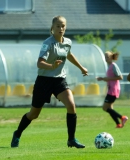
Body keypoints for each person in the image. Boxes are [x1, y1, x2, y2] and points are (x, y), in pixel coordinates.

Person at [11, 16, 88, 149]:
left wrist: (81, 67)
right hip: (44, 81)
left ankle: (71, 139)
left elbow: (68, 54)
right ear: (52, 28)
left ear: (66, 27)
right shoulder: (48, 43)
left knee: (71, 105)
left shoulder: (68, 42)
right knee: (33, 114)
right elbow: (39, 63)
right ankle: (17, 133)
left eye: (63, 25)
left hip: (59, 80)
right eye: (58, 26)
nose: (61, 28)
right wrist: (51, 66)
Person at [97, 51, 128, 128]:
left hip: (113, 90)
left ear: (111, 57)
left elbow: (120, 77)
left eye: (107, 57)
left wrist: (107, 78)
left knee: (105, 108)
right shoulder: (110, 66)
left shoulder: (113, 65)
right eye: (105, 57)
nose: (106, 58)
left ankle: (122, 117)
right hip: (111, 89)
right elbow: (110, 78)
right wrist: (103, 79)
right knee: (110, 108)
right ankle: (118, 124)